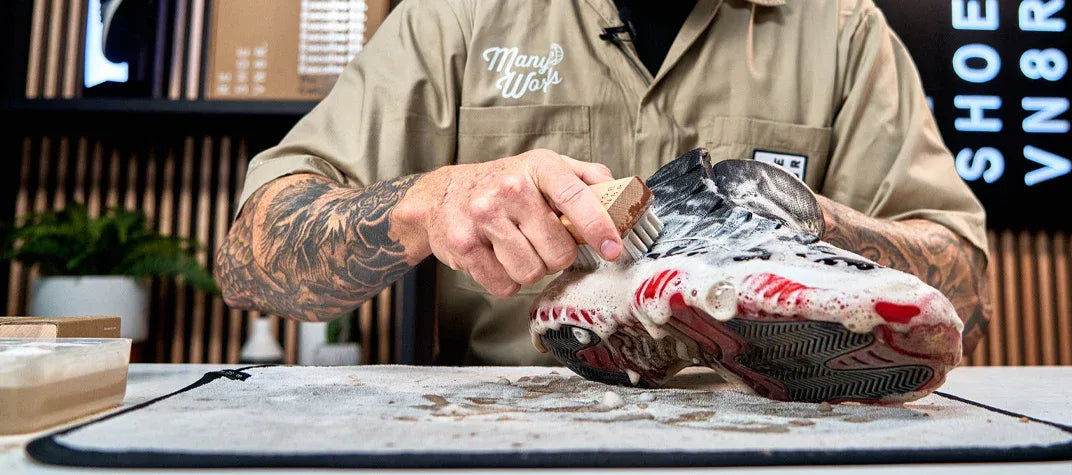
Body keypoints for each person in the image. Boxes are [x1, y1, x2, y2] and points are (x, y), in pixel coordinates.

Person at [216, 0, 991, 366]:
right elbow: (250, 261)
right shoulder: (456, 17)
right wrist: (430, 203)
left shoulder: (842, 28)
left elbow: (965, 303)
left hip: (775, 439)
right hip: (505, 439)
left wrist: (799, 225)